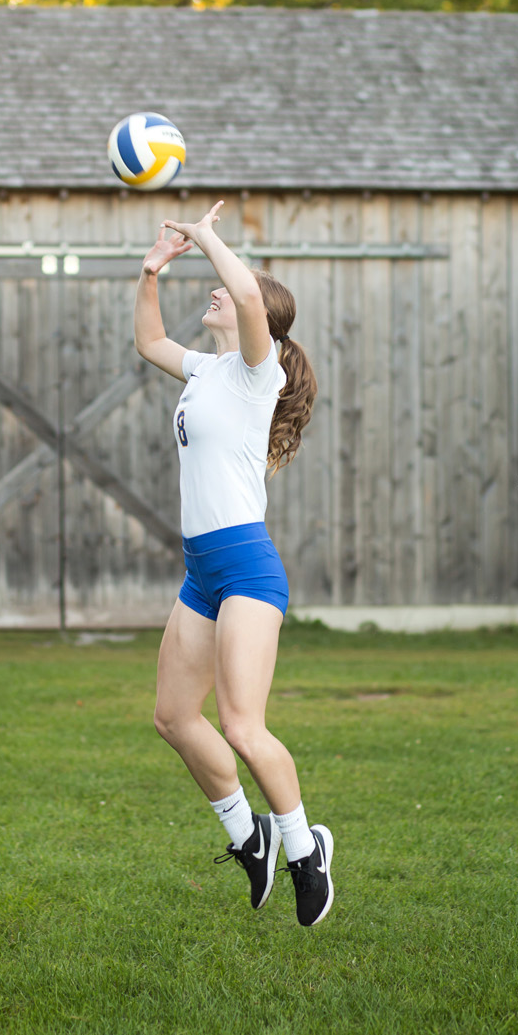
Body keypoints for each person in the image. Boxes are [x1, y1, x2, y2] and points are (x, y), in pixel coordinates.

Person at [134, 200, 333, 926]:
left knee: (244, 725)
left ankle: (305, 850)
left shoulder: (257, 373)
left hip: (247, 568)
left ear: (264, 328)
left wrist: (207, 233)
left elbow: (247, 293)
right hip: (201, 573)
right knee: (173, 715)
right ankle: (248, 838)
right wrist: (152, 269)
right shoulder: (207, 371)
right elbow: (150, 339)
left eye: (227, 288)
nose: (216, 290)